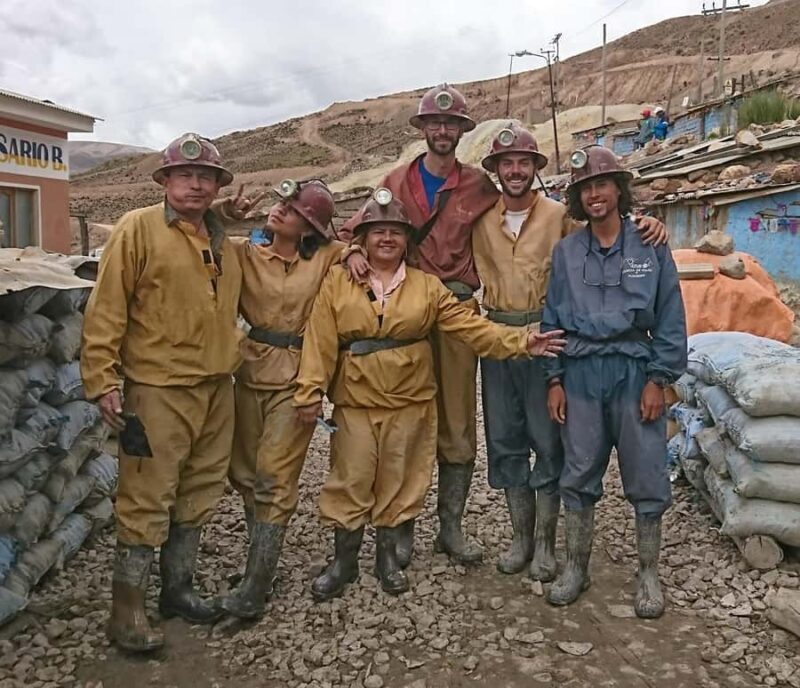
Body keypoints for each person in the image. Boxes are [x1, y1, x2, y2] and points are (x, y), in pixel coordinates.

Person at [294, 190, 566, 600]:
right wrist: (310, 391)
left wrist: (521, 342)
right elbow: (320, 340)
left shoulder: (427, 287)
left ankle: (387, 558)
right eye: (377, 232)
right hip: (356, 401)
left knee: (399, 478)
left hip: (409, 400)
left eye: (396, 232)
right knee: (350, 477)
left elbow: (471, 328)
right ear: (363, 239)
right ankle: (343, 562)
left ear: (408, 241)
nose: (386, 239)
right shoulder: (339, 280)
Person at [473, 124, 668, 579]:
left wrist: (647, 221)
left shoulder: (561, 215)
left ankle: (546, 545)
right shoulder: (480, 222)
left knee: (549, 442)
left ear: (536, 168)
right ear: (497, 170)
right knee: (504, 442)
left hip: (549, 342)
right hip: (499, 339)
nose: (516, 170)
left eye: (524, 161)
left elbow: (608, 232)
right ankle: (521, 538)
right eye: (507, 163)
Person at [81, 134, 243, 651]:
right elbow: (106, 307)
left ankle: (177, 590)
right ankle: (126, 613)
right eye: (185, 176)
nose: (196, 185)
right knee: (147, 497)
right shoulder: (138, 229)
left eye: (206, 178)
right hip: (157, 390)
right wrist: (102, 377)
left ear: (217, 186)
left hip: (217, 386)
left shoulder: (221, 237)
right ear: (166, 181)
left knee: (199, 492)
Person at [343, 84, 500, 567]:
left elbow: (524, 217)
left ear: (461, 131)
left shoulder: (479, 185)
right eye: (434, 123)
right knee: (407, 417)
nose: (442, 131)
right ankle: (402, 523)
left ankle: (450, 527)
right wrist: (350, 249)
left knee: (456, 421)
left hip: (454, 309)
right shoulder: (395, 180)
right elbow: (357, 227)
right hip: (406, 307)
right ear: (423, 129)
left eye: (451, 124)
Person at [541, 145, 687, 618]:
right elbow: (551, 318)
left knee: (646, 471)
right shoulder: (565, 252)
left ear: (619, 191)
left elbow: (669, 316)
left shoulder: (650, 244)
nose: (595, 194)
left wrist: (658, 379)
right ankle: (576, 567)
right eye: (585, 188)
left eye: (602, 184)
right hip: (581, 372)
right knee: (579, 470)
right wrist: (554, 379)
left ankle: (648, 572)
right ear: (577, 199)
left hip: (633, 371)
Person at [221, 179, 343, 619]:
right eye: (280, 203)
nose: (279, 212)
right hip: (248, 372)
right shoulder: (244, 252)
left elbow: (363, 249)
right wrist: (224, 209)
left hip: (297, 378)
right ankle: (260, 565)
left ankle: (255, 587)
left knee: (275, 476)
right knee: (245, 472)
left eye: (293, 211)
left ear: (310, 229)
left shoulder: (328, 258)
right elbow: (203, 234)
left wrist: (362, 259)